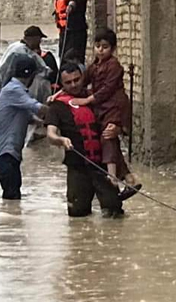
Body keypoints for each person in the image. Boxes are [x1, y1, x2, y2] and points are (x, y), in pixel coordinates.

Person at [46, 62, 124, 218]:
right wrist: (61, 140)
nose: (74, 85)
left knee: (114, 212)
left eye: (77, 80)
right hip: (77, 167)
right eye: (68, 82)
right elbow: (51, 134)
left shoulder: (94, 98)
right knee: (77, 215)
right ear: (62, 84)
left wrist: (117, 130)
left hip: (101, 166)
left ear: (82, 78)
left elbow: (116, 119)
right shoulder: (56, 106)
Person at [70, 28, 141, 200]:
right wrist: (60, 94)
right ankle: (129, 178)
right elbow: (83, 81)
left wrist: (87, 100)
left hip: (115, 106)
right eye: (97, 46)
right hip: (101, 107)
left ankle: (113, 179)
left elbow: (107, 89)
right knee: (108, 139)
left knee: (107, 136)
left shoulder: (114, 66)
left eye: (105, 47)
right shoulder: (94, 66)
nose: (100, 50)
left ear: (113, 49)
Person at [0, 25, 53, 149]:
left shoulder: (15, 46)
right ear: (32, 38)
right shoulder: (21, 51)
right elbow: (40, 67)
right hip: (2, 89)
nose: (40, 43)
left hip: (0, 87)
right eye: (39, 39)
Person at [0, 55, 48, 200]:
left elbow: (29, 117)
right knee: (12, 196)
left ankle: (10, 221)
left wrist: (43, 123)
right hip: (5, 153)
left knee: (13, 198)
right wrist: (60, 108)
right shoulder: (13, 90)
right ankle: (11, 222)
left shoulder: (16, 91)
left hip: (10, 153)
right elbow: (37, 107)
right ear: (30, 76)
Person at [54, 0, 87, 64]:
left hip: (75, 33)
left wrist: (71, 6)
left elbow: (75, 0)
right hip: (64, 31)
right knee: (63, 57)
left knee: (73, 58)